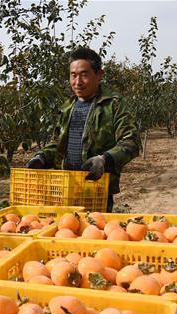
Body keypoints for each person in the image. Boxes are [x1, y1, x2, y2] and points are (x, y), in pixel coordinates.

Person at [26, 47, 141, 212]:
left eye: (84, 75)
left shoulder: (113, 104)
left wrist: (104, 159)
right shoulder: (68, 107)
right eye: (73, 75)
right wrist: (42, 157)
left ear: (99, 75)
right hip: (65, 189)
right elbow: (57, 142)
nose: (77, 82)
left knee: (93, 233)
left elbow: (131, 142)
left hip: (96, 190)